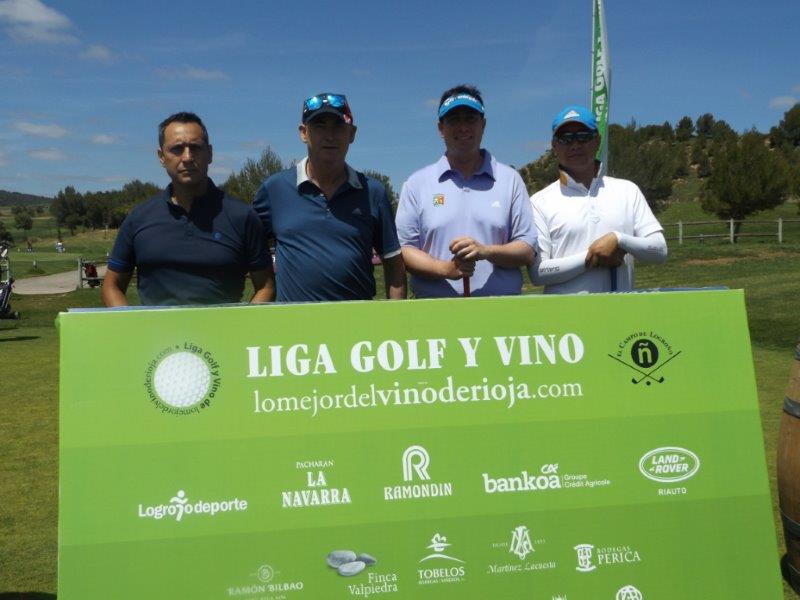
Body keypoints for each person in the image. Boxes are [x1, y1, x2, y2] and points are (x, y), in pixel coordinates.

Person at [102, 112, 273, 306]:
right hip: (154, 335)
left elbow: (266, 286)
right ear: (161, 157)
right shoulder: (139, 218)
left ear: (209, 153)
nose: (187, 157)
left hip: (224, 333)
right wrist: (130, 327)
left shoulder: (242, 216)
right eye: (177, 149)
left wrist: (243, 327)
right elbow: (112, 286)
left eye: (196, 148)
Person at [253, 93, 406, 302]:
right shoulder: (275, 189)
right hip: (292, 326)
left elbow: (393, 264)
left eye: (338, 127)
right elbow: (249, 250)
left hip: (357, 326)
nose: (329, 136)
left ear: (351, 133)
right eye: (319, 126)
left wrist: (392, 320)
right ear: (303, 133)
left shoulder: (373, 192)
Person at [395, 84, 536, 298]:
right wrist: (446, 269)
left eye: (470, 119)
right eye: (453, 120)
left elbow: (526, 249)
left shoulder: (510, 180)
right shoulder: (417, 184)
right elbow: (405, 250)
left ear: (483, 125)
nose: (463, 128)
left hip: (500, 313)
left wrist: (486, 251)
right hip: (435, 315)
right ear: (440, 128)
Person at [529, 105, 667, 294]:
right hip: (564, 320)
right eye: (566, 139)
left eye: (583, 136)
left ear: (597, 141)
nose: (575, 145)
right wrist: (591, 257)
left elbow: (659, 251)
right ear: (554, 146)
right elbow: (538, 272)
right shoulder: (539, 202)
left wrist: (619, 240)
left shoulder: (627, 190)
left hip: (620, 318)